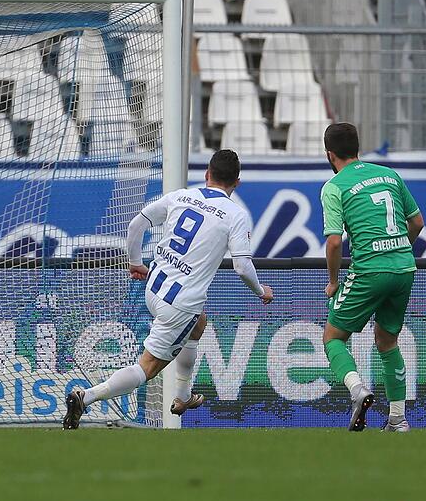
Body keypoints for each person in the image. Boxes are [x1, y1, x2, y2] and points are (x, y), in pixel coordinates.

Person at [63, 150, 274, 429]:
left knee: (199, 321)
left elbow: (136, 224)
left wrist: (136, 262)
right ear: (237, 182)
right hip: (179, 303)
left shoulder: (181, 196)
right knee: (147, 368)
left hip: (154, 287)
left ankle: (184, 396)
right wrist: (261, 291)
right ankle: (86, 396)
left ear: (207, 174)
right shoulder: (236, 215)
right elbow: (242, 267)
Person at [319, 123, 424, 433]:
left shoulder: (334, 186)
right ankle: (397, 419)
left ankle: (357, 390)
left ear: (329, 154)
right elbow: (417, 222)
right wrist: (399, 251)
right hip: (404, 268)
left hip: (369, 270)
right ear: (358, 147)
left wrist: (334, 281)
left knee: (333, 338)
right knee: (387, 340)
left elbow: (335, 242)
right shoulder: (389, 175)